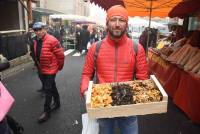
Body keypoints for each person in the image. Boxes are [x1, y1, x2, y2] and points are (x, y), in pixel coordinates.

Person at [80, 5, 148, 134]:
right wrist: (85, 90)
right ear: (107, 23)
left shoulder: (137, 48)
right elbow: (86, 74)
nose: (117, 24)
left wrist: (143, 97)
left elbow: (142, 78)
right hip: (103, 104)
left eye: (121, 20)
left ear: (126, 24)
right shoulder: (95, 48)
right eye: (113, 20)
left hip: (128, 105)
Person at [32, 22, 65, 123]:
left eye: (40, 29)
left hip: (51, 69)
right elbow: (36, 54)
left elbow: (61, 56)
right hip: (42, 68)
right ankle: (57, 102)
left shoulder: (52, 40)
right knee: (52, 86)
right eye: (36, 30)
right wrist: (37, 65)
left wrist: (58, 67)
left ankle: (47, 112)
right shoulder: (35, 40)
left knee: (47, 89)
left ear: (45, 29)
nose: (38, 32)